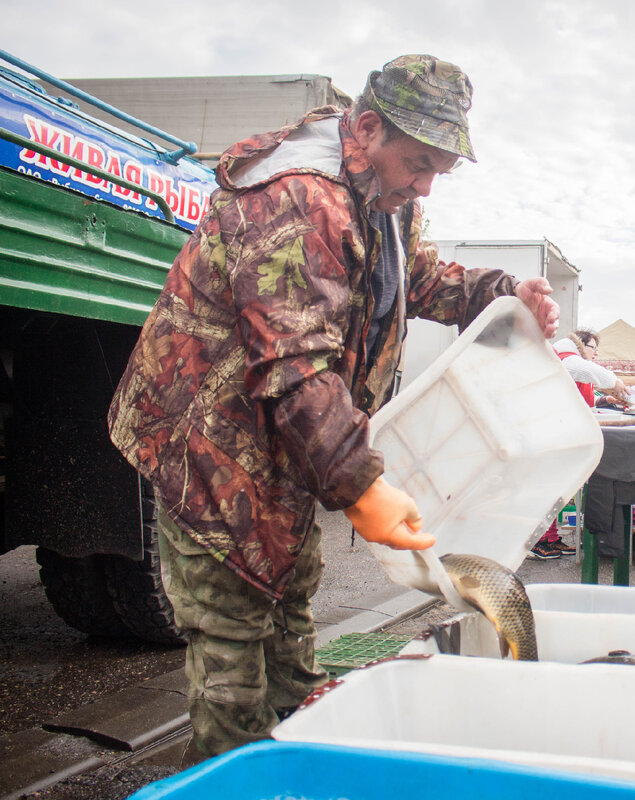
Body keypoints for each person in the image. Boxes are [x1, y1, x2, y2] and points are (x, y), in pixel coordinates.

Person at [106, 55, 560, 761]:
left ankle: (300, 759)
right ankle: (238, 774)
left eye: (441, 168)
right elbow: (293, 363)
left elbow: (426, 281)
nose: (425, 183)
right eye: (418, 162)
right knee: (234, 668)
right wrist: (361, 483)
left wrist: (503, 291)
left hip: (286, 457)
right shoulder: (296, 196)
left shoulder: (382, 201)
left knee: (291, 637)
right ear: (368, 128)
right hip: (212, 452)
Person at [530, 329, 628, 559]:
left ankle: (551, 539)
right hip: (551, 433)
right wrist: (617, 383)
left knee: (557, 487)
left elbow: (587, 399)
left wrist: (604, 399)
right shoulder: (567, 358)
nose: (595, 354)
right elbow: (589, 371)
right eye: (593, 348)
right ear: (581, 346)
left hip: (561, 432)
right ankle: (538, 542)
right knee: (550, 487)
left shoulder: (571, 363)